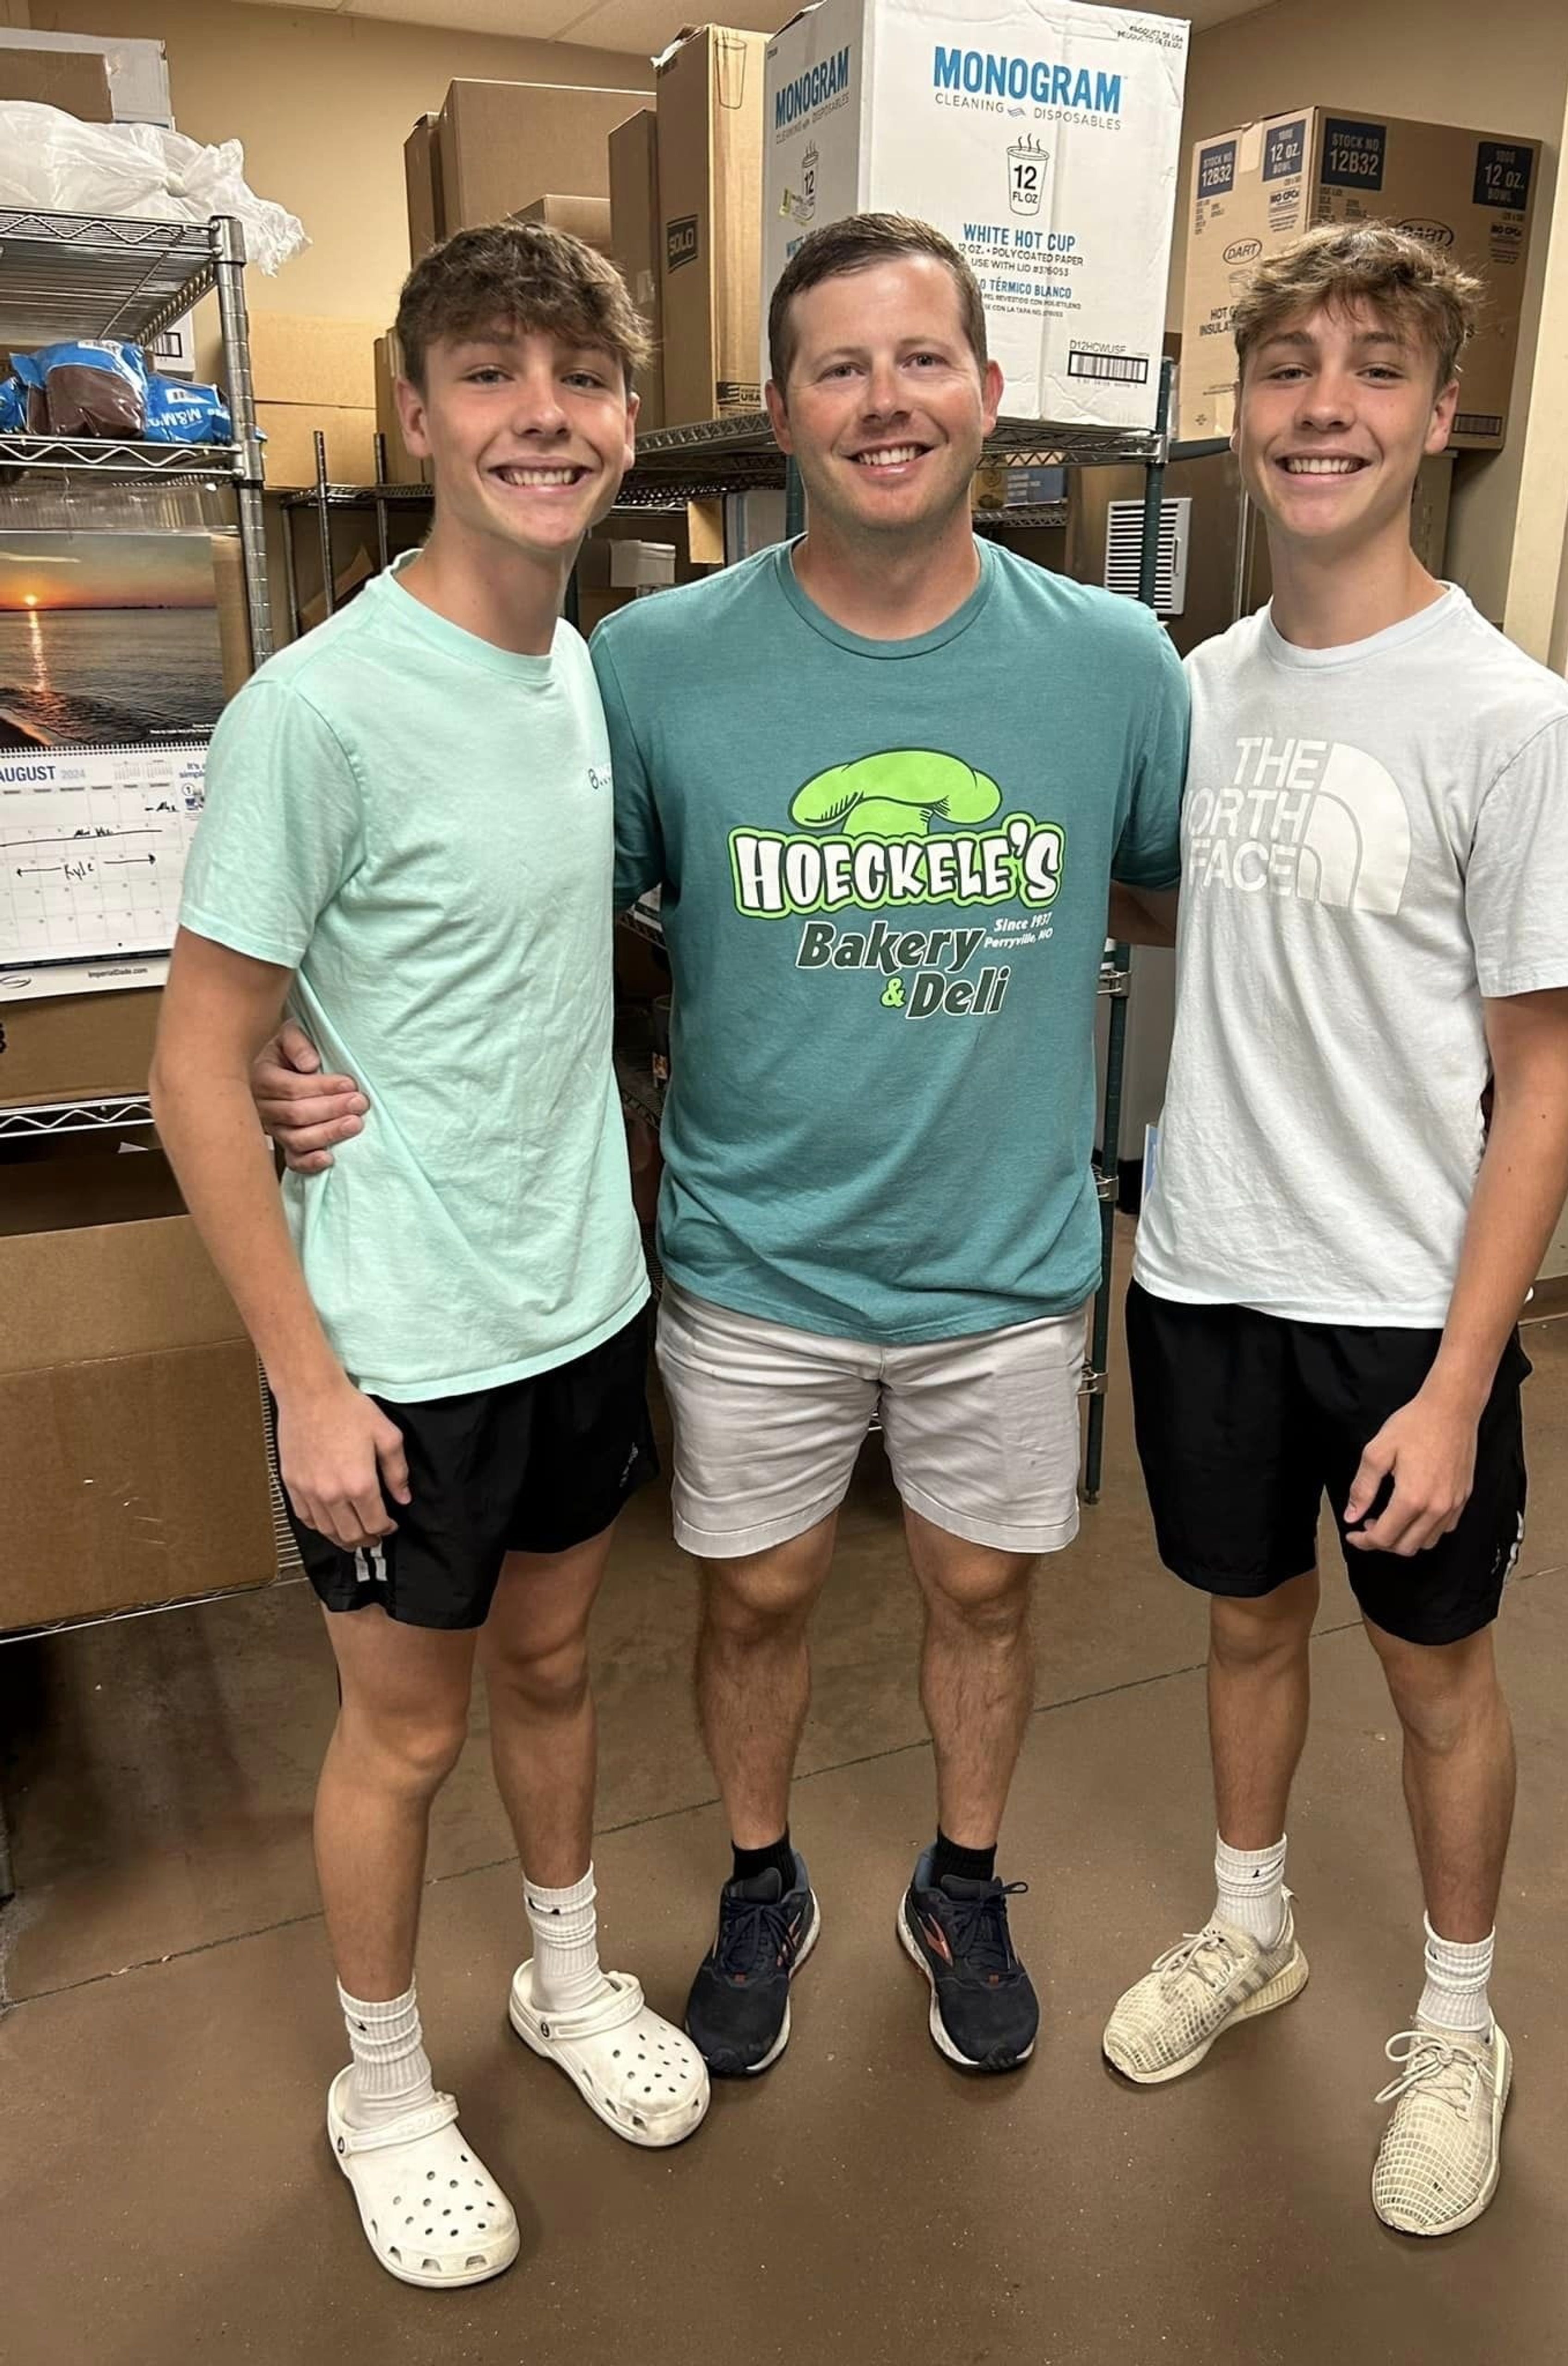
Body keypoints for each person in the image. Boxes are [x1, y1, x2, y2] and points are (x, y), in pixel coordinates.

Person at [256, 213, 1190, 2079]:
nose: (885, 400)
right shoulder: (651, 666)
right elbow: (535, 915)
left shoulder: (1115, 661)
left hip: (1004, 1261)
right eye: (838, 366)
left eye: (923, 358)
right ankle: (763, 1876)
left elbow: (1166, 894)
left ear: (990, 393)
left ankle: (965, 1878)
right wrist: (314, 1036)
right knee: (755, 1591)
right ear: (779, 410)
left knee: (985, 1586)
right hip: (747, 1255)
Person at [151, 220, 710, 2294]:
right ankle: (384, 2081)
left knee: (562, 1666)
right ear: (413, 410)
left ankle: (565, 1983)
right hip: (396, 1339)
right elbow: (199, 1063)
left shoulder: (577, 663)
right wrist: (307, 1375)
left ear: (628, 423)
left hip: (579, 1297)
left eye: (578, 377)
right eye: (488, 372)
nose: (538, 415)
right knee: (402, 1730)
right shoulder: (320, 704)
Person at [1100, 222, 1568, 2237]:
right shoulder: (1189, 692)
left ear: (1438, 416)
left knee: (1438, 1677)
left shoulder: (1512, 715)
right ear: (1240, 408)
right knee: (1242, 1624)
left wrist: (1465, 1379)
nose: (1328, 403)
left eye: (1376, 368)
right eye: (1292, 364)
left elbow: (1545, 1075)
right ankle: (1255, 1927)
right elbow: (1156, 911)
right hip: (1205, 1269)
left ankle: (1462, 2018)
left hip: (1408, 1306)